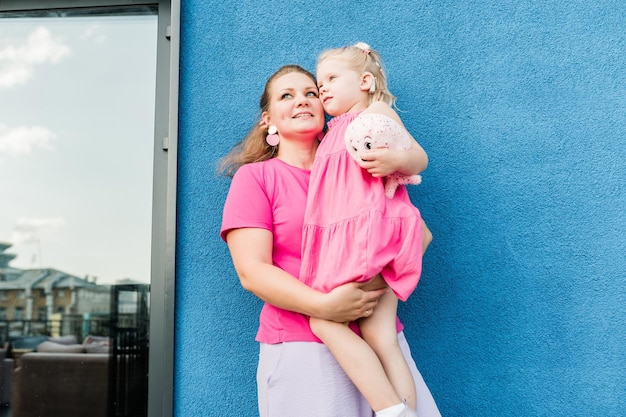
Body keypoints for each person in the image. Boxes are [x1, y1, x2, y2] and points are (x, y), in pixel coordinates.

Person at [220, 64, 441, 417]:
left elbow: (415, 235)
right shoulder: (256, 178)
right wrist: (324, 308)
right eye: (286, 96)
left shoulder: (359, 165)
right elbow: (252, 271)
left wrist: (368, 287)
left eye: (311, 93)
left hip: (379, 343)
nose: (302, 101)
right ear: (268, 120)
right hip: (302, 349)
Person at [300, 43, 430, 417]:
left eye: (331, 78)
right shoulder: (331, 132)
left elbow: (419, 157)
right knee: (379, 336)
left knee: (324, 318)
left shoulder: (374, 113)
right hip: (361, 238)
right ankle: (405, 410)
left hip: (371, 239)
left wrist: (399, 158)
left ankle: (390, 409)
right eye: (319, 81)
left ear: (365, 81)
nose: (322, 88)